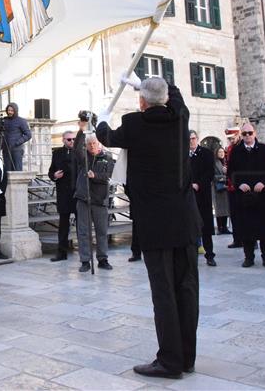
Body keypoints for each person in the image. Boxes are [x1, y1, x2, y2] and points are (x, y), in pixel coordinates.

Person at [96, 76, 200, 379]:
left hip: (156, 222)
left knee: (164, 292)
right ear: (166, 98)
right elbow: (176, 94)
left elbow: (106, 136)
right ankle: (186, 357)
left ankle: (170, 361)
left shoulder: (134, 124)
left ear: (142, 102)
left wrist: (101, 120)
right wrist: (144, 83)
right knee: (187, 288)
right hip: (184, 219)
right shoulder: (180, 117)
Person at [227, 122, 265, 268]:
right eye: (244, 134)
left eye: (250, 133)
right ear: (241, 135)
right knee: (246, 227)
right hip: (244, 195)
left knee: (264, 228)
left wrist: (264, 182)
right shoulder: (236, 151)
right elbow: (231, 172)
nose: (247, 136)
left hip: (261, 194)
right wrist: (238, 184)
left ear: (255, 133)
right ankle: (249, 257)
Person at [72, 121, 114, 272]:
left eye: (94, 143)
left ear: (98, 143)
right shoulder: (84, 156)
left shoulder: (107, 157)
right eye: (89, 144)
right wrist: (81, 131)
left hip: (99, 199)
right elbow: (77, 149)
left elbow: (108, 175)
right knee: (83, 231)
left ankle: (103, 259)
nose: (92, 147)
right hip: (83, 198)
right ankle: (85, 261)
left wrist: (95, 175)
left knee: (101, 231)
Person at [48, 130, 77, 261]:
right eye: (69, 139)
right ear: (63, 140)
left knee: (81, 225)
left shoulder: (80, 152)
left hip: (77, 194)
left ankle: (85, 255)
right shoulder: (57, 153)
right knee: (63, 225)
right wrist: (54, 175)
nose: (72, 141)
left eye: (73, 139)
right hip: (64, 194)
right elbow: (51, 171)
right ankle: (62, 253)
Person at [189, 130, 216, 266]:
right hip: (188, 197)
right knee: (191, 227)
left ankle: (210, 255)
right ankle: (191, 255)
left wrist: (198, 184)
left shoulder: (206, 154)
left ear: (197, 139)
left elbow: (209, 172)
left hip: (203, 194)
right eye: (189, 139)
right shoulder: (182, 155)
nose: (191, 142)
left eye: (193, 139)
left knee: (206, 226)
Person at [0, 102, 31, 172]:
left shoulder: (21, 121)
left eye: (12, 110)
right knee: (7, 171)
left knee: (17, 170)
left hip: (17, 150)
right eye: (8, 110)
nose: (9, 112)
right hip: (6, 149)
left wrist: (17, 142)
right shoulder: (4, 120)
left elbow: (28, 135)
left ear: (15, 111)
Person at [224, 127, 243, 249]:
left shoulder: (241, 148)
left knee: (245, 215)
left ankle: (250, 239)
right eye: (229, 139)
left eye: (232, 138)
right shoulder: (230, 148)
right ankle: (237, 239)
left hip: (241, 186)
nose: (231, 140)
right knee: (234, 215)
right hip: (231, 186)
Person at [213, 147, 230, 235]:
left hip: (226, 187)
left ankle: (225, 227)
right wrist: (224, 177)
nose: (221, 153)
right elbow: (213, 176)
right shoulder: (214, 163)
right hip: (217, 188)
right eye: (219, 152)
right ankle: (220, 228)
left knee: (226, 209)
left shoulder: (226, 162)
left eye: (222, 152)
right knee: (219, 209)